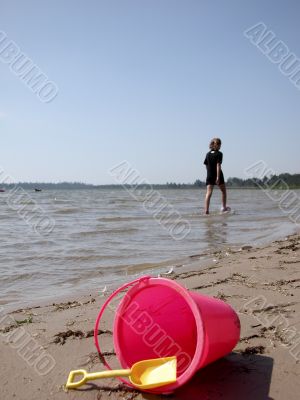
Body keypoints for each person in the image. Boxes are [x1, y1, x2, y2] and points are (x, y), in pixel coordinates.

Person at [203, 138, 230, 215]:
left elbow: (206, 165)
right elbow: (218, 165)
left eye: (220, 145)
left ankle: (206, 210)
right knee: (224, 191)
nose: (220, 146)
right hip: (218, 175)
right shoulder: (219, 154)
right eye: (219, 145)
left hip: (209, 175)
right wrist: (218, 177)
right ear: (215, 145)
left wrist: (209, 173)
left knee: (208, 193)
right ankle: (224, 208)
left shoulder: (207, 154)